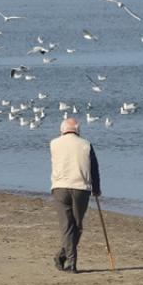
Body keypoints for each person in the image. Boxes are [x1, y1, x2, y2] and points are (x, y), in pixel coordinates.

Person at [49, 117, 101, 273]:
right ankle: (71, 263)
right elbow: (94, 169)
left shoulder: (53, 144)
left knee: (67, 227)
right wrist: (96, 189)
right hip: (80, 188)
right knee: (76, 226)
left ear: (62, 130)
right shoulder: (86, 144)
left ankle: (62, 256)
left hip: (59, 188)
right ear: (78, 130)